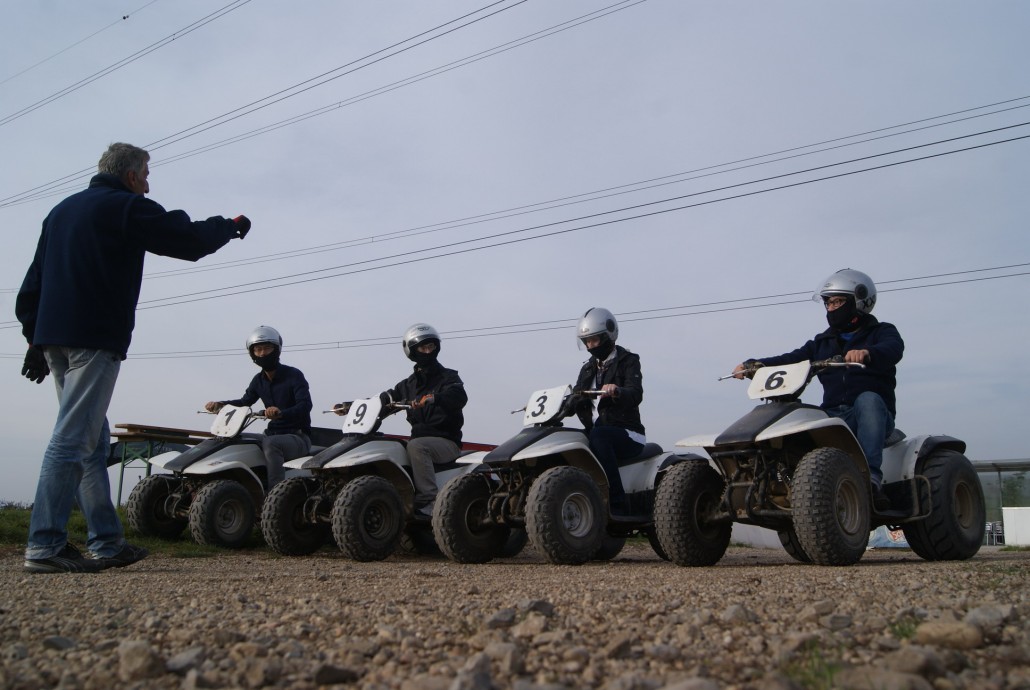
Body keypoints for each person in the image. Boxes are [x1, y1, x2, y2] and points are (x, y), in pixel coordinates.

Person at [16, 142, 250, 574]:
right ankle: (44, 545)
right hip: (94, 339)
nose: (148, 183)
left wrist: (34, 339)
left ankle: (107, 542)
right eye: (146, 174)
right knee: (72, 439)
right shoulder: (125, 207)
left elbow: (34, 281)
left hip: (54, 341)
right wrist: (229, 226)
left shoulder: (61, 212)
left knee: (90, 442)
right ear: (130, 175)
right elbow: (187, 239)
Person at [732, 268, 904, 510]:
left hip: (873, 415)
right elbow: (792, 358)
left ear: (859, 301)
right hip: (833, 414)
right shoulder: (821, 342)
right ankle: (789, 484)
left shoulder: (882, 332)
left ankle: (870, 480)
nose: (831, 308)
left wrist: (867, 353)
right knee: (799, 416)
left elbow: (893, 349)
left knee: (868, 399)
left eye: (837, 301)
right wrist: (755, 365)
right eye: (828, 303)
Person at [377, 323, 467, 519]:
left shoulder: (449, 377)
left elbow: (459, 396)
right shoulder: (407, 385)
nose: (427, 351)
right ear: (412, 351)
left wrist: (436, 398)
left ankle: (429, 499)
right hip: (419, 439)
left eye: (431, 347)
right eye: (422, 348)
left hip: (447, 441)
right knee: (392, 447)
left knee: (417, 446)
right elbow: (385, 400)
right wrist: (353, 405)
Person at [204, 326, 313, 488]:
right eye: (258, 349)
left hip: (298, 437)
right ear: (252, 353)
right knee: (233, 439)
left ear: (277, 349)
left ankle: (275, 491)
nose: (262, 353)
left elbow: (305, 405)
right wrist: (220, 405)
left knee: (272, 444)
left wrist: (281, 413)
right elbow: (244, 402)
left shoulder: (294, 375)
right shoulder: (258, 380)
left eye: (267, 348)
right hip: (270, 435)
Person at [569, 307, 645, 516]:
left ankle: (617, 503)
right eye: (586, 341)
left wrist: (617, 390)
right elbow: (577, 395)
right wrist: (564, 403)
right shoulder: (587, 368)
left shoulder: (628, 361)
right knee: (569, 439)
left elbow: (635, 393)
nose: (590, 346)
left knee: (599, 436)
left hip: (628, 432)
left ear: (608, 335)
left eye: (594, 340)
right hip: (597, 430)